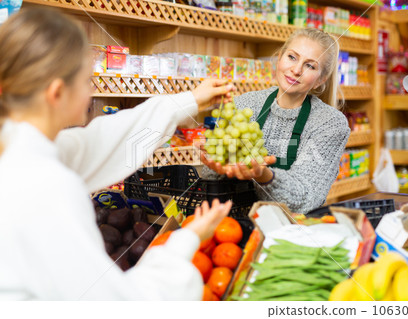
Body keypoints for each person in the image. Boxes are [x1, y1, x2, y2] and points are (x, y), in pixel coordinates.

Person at [0, 8, 235, 300]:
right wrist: (185, 240)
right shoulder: (47, 185)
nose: (90, 93)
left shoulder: (19, 149)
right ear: (57, 92)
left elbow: (97, 143)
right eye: (87, 81)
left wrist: (186, 101)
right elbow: (118, 304)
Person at [202, 28, 350, 214]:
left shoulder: (330, 123)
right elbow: (212, 181)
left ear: (320, 80)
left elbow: (307, 197)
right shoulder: (244, 105)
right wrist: (216, 164)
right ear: (279, 58)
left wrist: (264, 175)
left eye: (310, 66)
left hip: (290, 232)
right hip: (233, 225)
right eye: (292, 57)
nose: (296, 70)